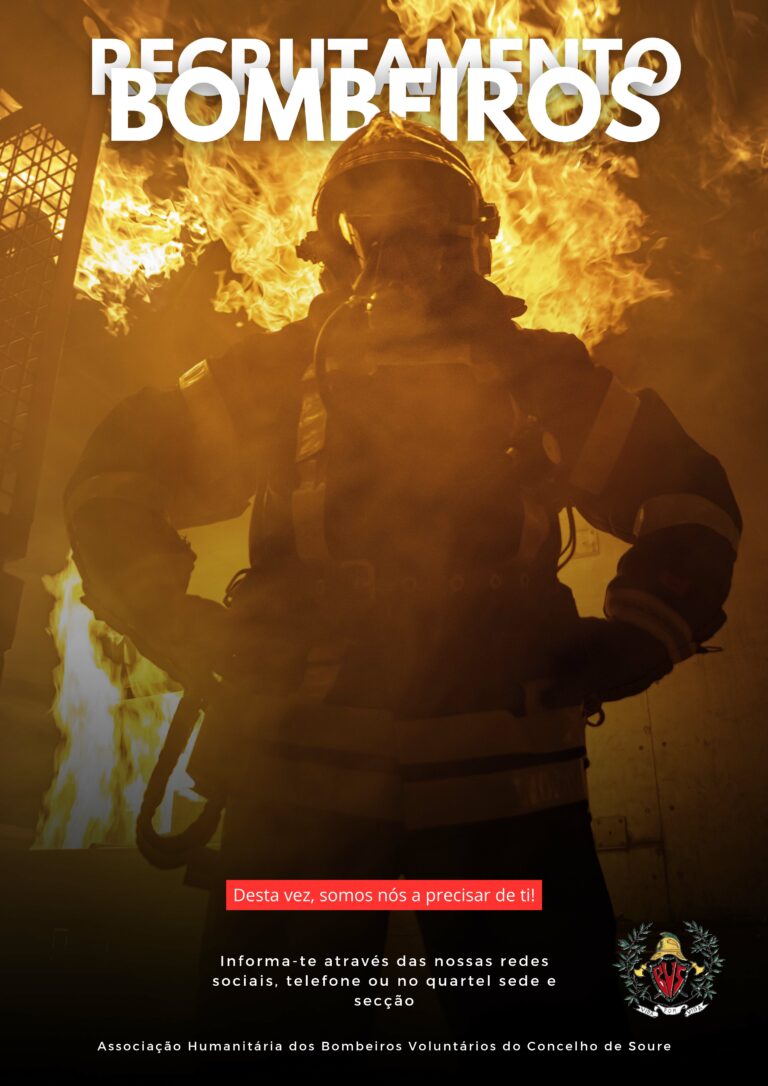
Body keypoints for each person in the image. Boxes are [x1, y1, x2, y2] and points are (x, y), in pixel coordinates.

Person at [62, 113, 741, 1046]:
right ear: (333, 241)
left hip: (506, 808)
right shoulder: (270, 377)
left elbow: (689, 499)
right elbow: (114, 476)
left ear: (474, 233)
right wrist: (173, 619)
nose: (406, 244)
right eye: (380, 221)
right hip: (302, 796)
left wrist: (638, 633)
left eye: (431, 219)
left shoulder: (542, 376)